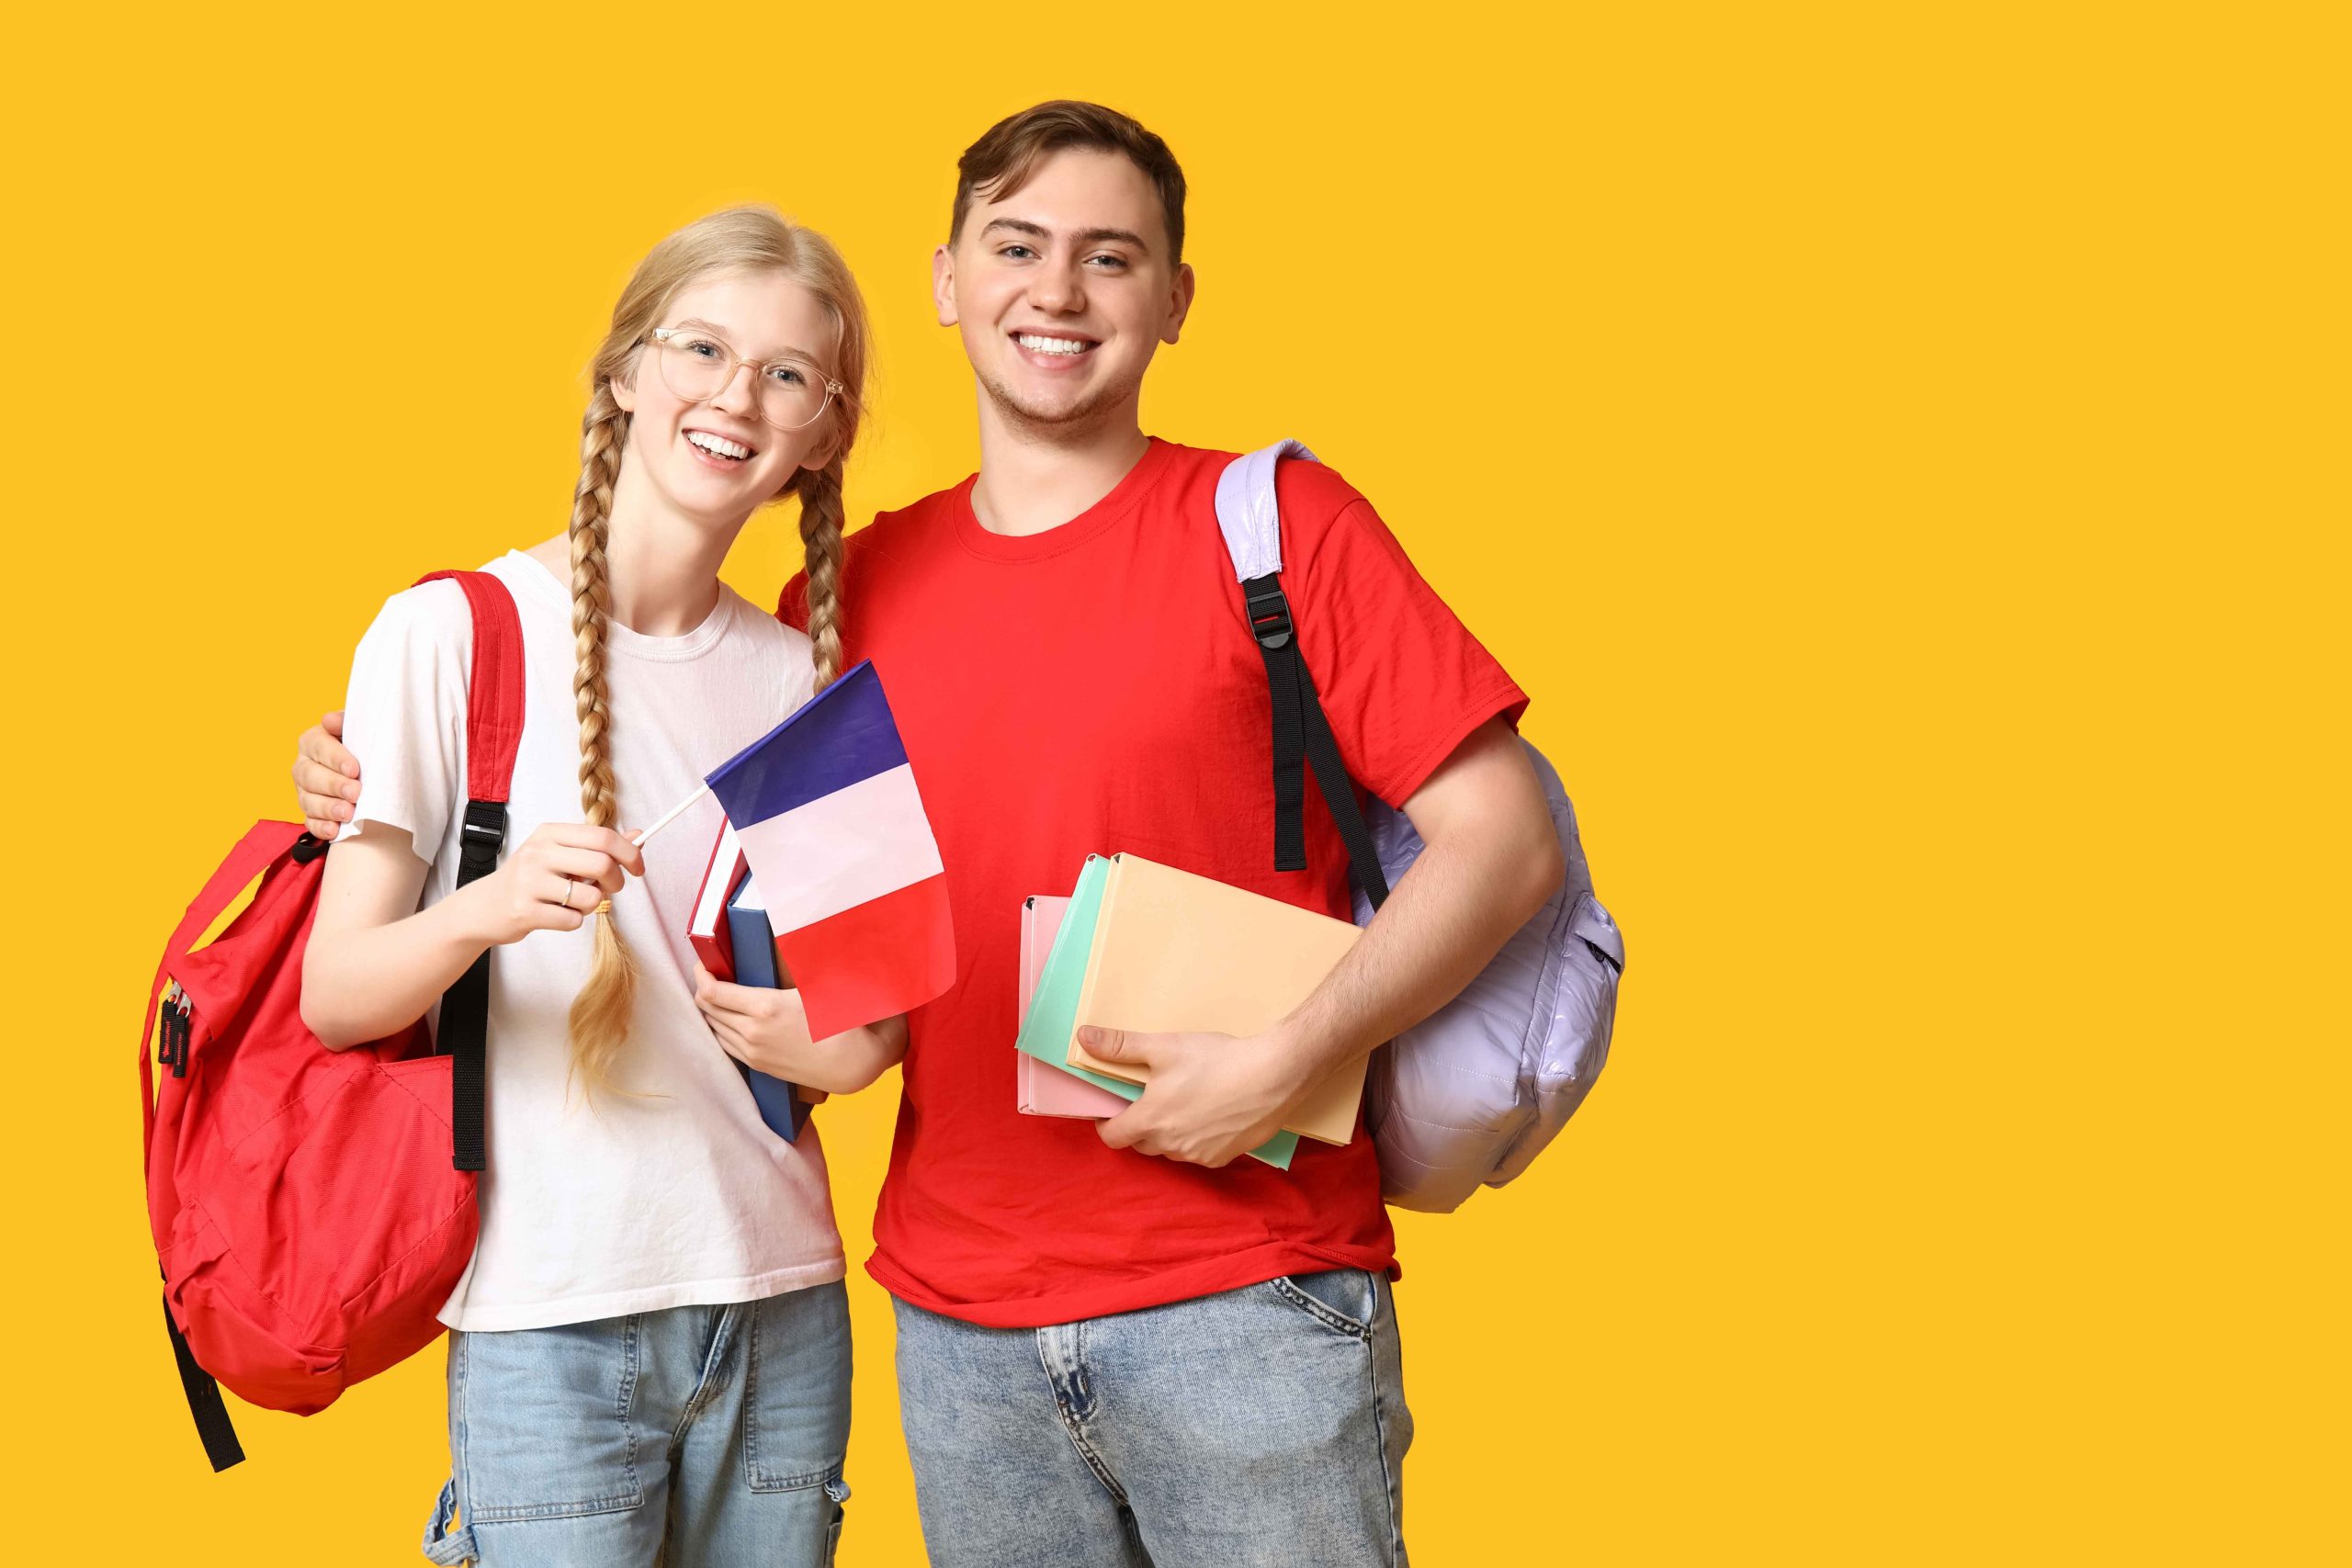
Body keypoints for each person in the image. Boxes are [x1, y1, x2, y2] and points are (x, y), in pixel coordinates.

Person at [300, 104, 1564, 1568]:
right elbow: (842, 969)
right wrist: (370, 774)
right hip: (957, 1330)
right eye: (1018, 247)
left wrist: (1284, 1058)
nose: (1060, 292)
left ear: (1174, 301)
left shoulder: (1273, 525)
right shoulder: (856, 604)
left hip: (1246, 1293)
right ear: (950, 278)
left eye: (1112, 257)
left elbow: (1505, 839)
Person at [299, 206, 898, 1568]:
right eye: (702, 346)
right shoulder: (448, 635)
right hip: (549, 1318)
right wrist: (488, 907)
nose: (736, 396)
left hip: (785, 1306)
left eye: (787, 375)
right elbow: (337, 997)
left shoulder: (812, 685)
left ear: (825, 429)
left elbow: (871, 1021)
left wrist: (850, 1049)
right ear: (627, 371)